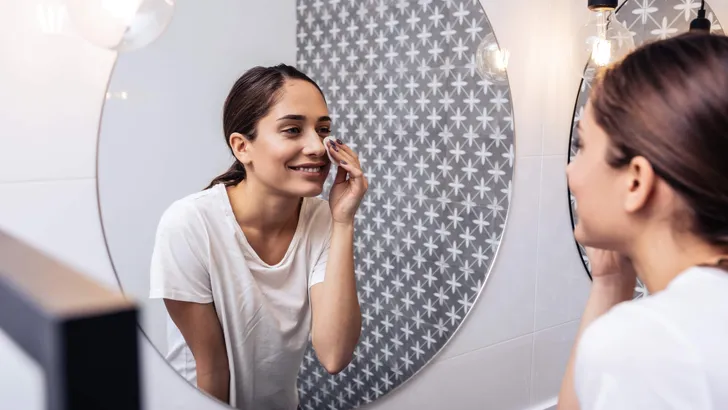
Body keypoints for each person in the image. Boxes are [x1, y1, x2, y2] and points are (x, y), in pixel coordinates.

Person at [149, 64, 366, 410]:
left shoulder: (323, 219)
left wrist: (343, 221)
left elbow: (334, 354)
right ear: (242, 147)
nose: (316, 146)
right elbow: (212, 371)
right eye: (293, 130)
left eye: (323, 129)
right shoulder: (189, 224)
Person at [558, 32, 728, 409]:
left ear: (636, 181)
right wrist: (609, 283)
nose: (571, 173)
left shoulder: (647, 346)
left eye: (582, 146)